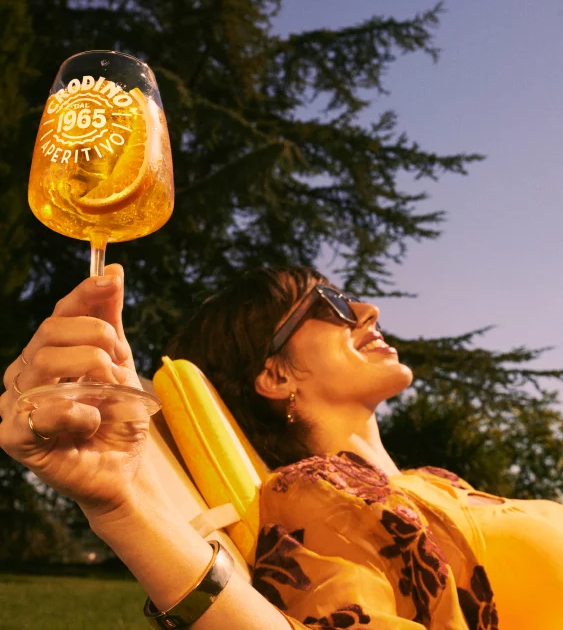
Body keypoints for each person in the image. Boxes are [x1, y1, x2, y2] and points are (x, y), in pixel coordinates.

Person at [1, 264, 562, 630]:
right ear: (274, 375)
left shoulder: (432, 482)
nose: (368, 311)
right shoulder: (324, 496)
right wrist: (126, 509)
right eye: (331, 304)